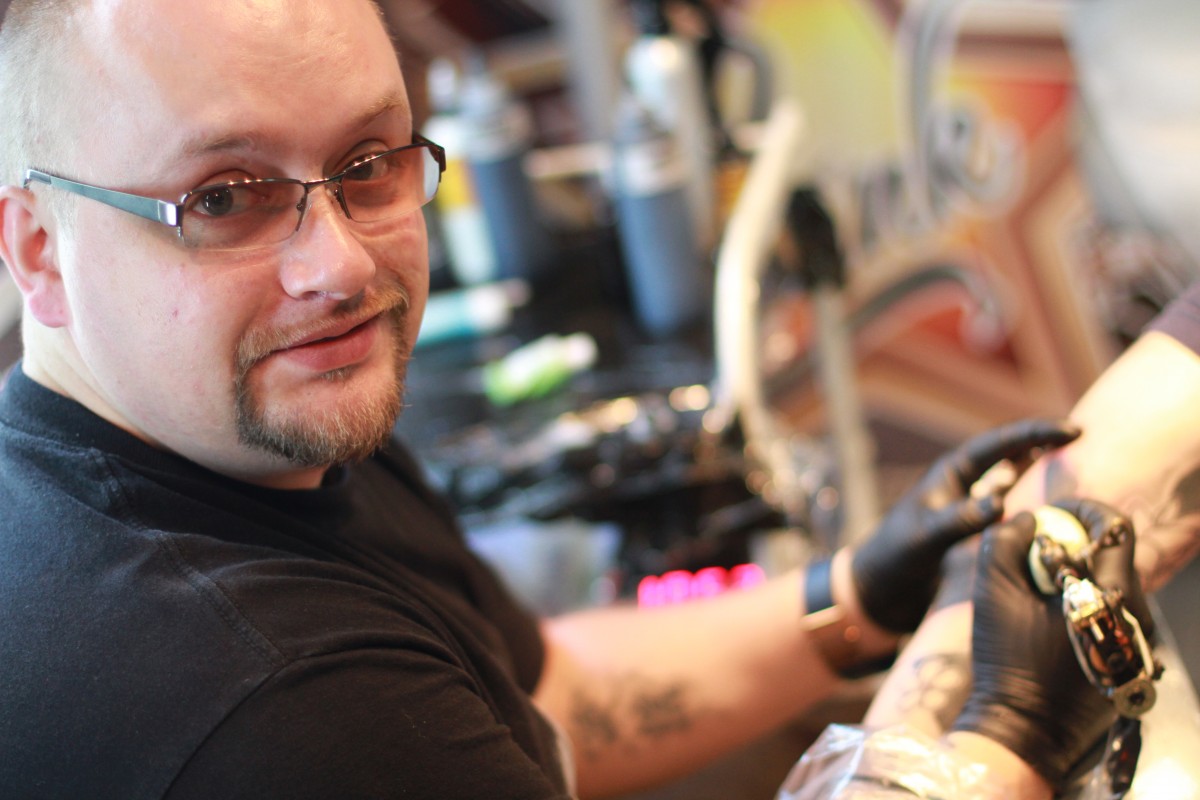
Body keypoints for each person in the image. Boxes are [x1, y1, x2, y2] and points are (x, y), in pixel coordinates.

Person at [0, 1, 1137, 798]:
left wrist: (855, 593)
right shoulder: (280, 705)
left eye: (368, 163)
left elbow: (555, 700)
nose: (339, 266)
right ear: (38, 248)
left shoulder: (258, 427)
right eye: (224, 198)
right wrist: (1006, 743)